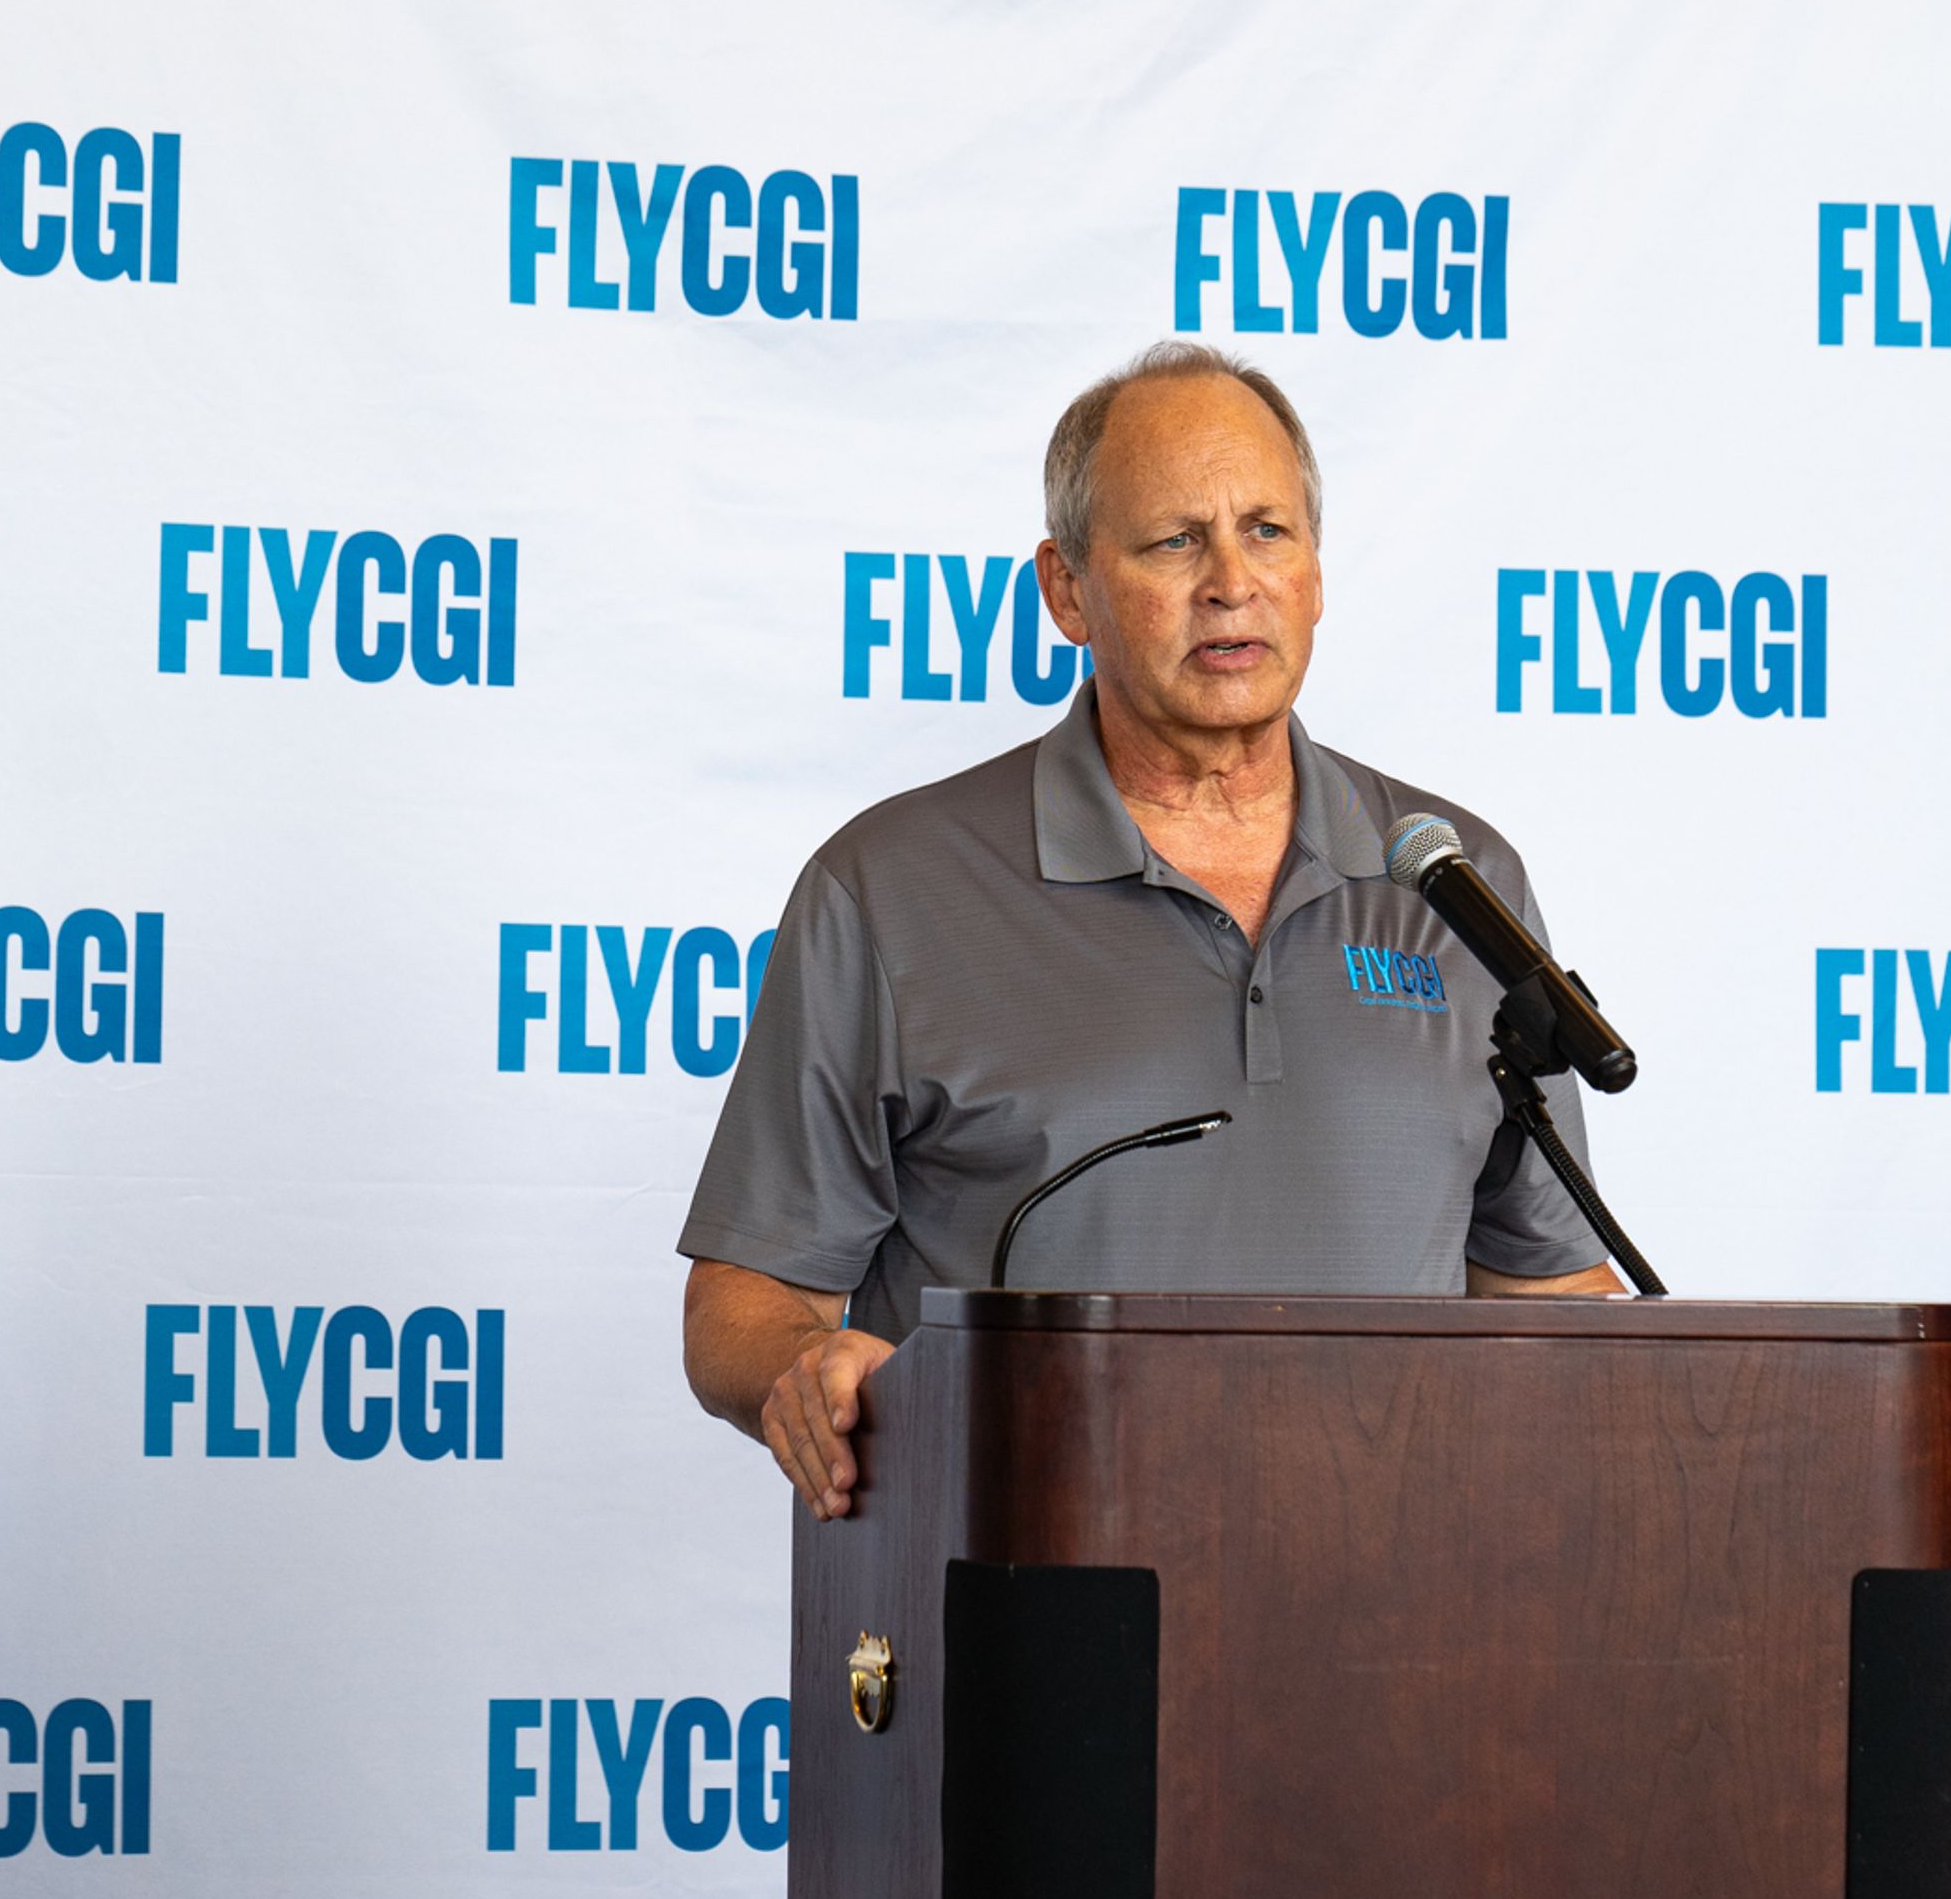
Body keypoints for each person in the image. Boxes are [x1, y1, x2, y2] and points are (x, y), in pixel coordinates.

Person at [677, 340, 1626, 1515]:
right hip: (1037, 1592)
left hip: (1402, 1607)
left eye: (1269, 532)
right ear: (1066, 590)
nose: (1231, 580)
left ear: (1317, 576)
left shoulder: (1457, 889)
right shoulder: (889, 887)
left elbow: (1549, 1297)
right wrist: (801, 1368)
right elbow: (742, 1299)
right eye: (1176, 541)